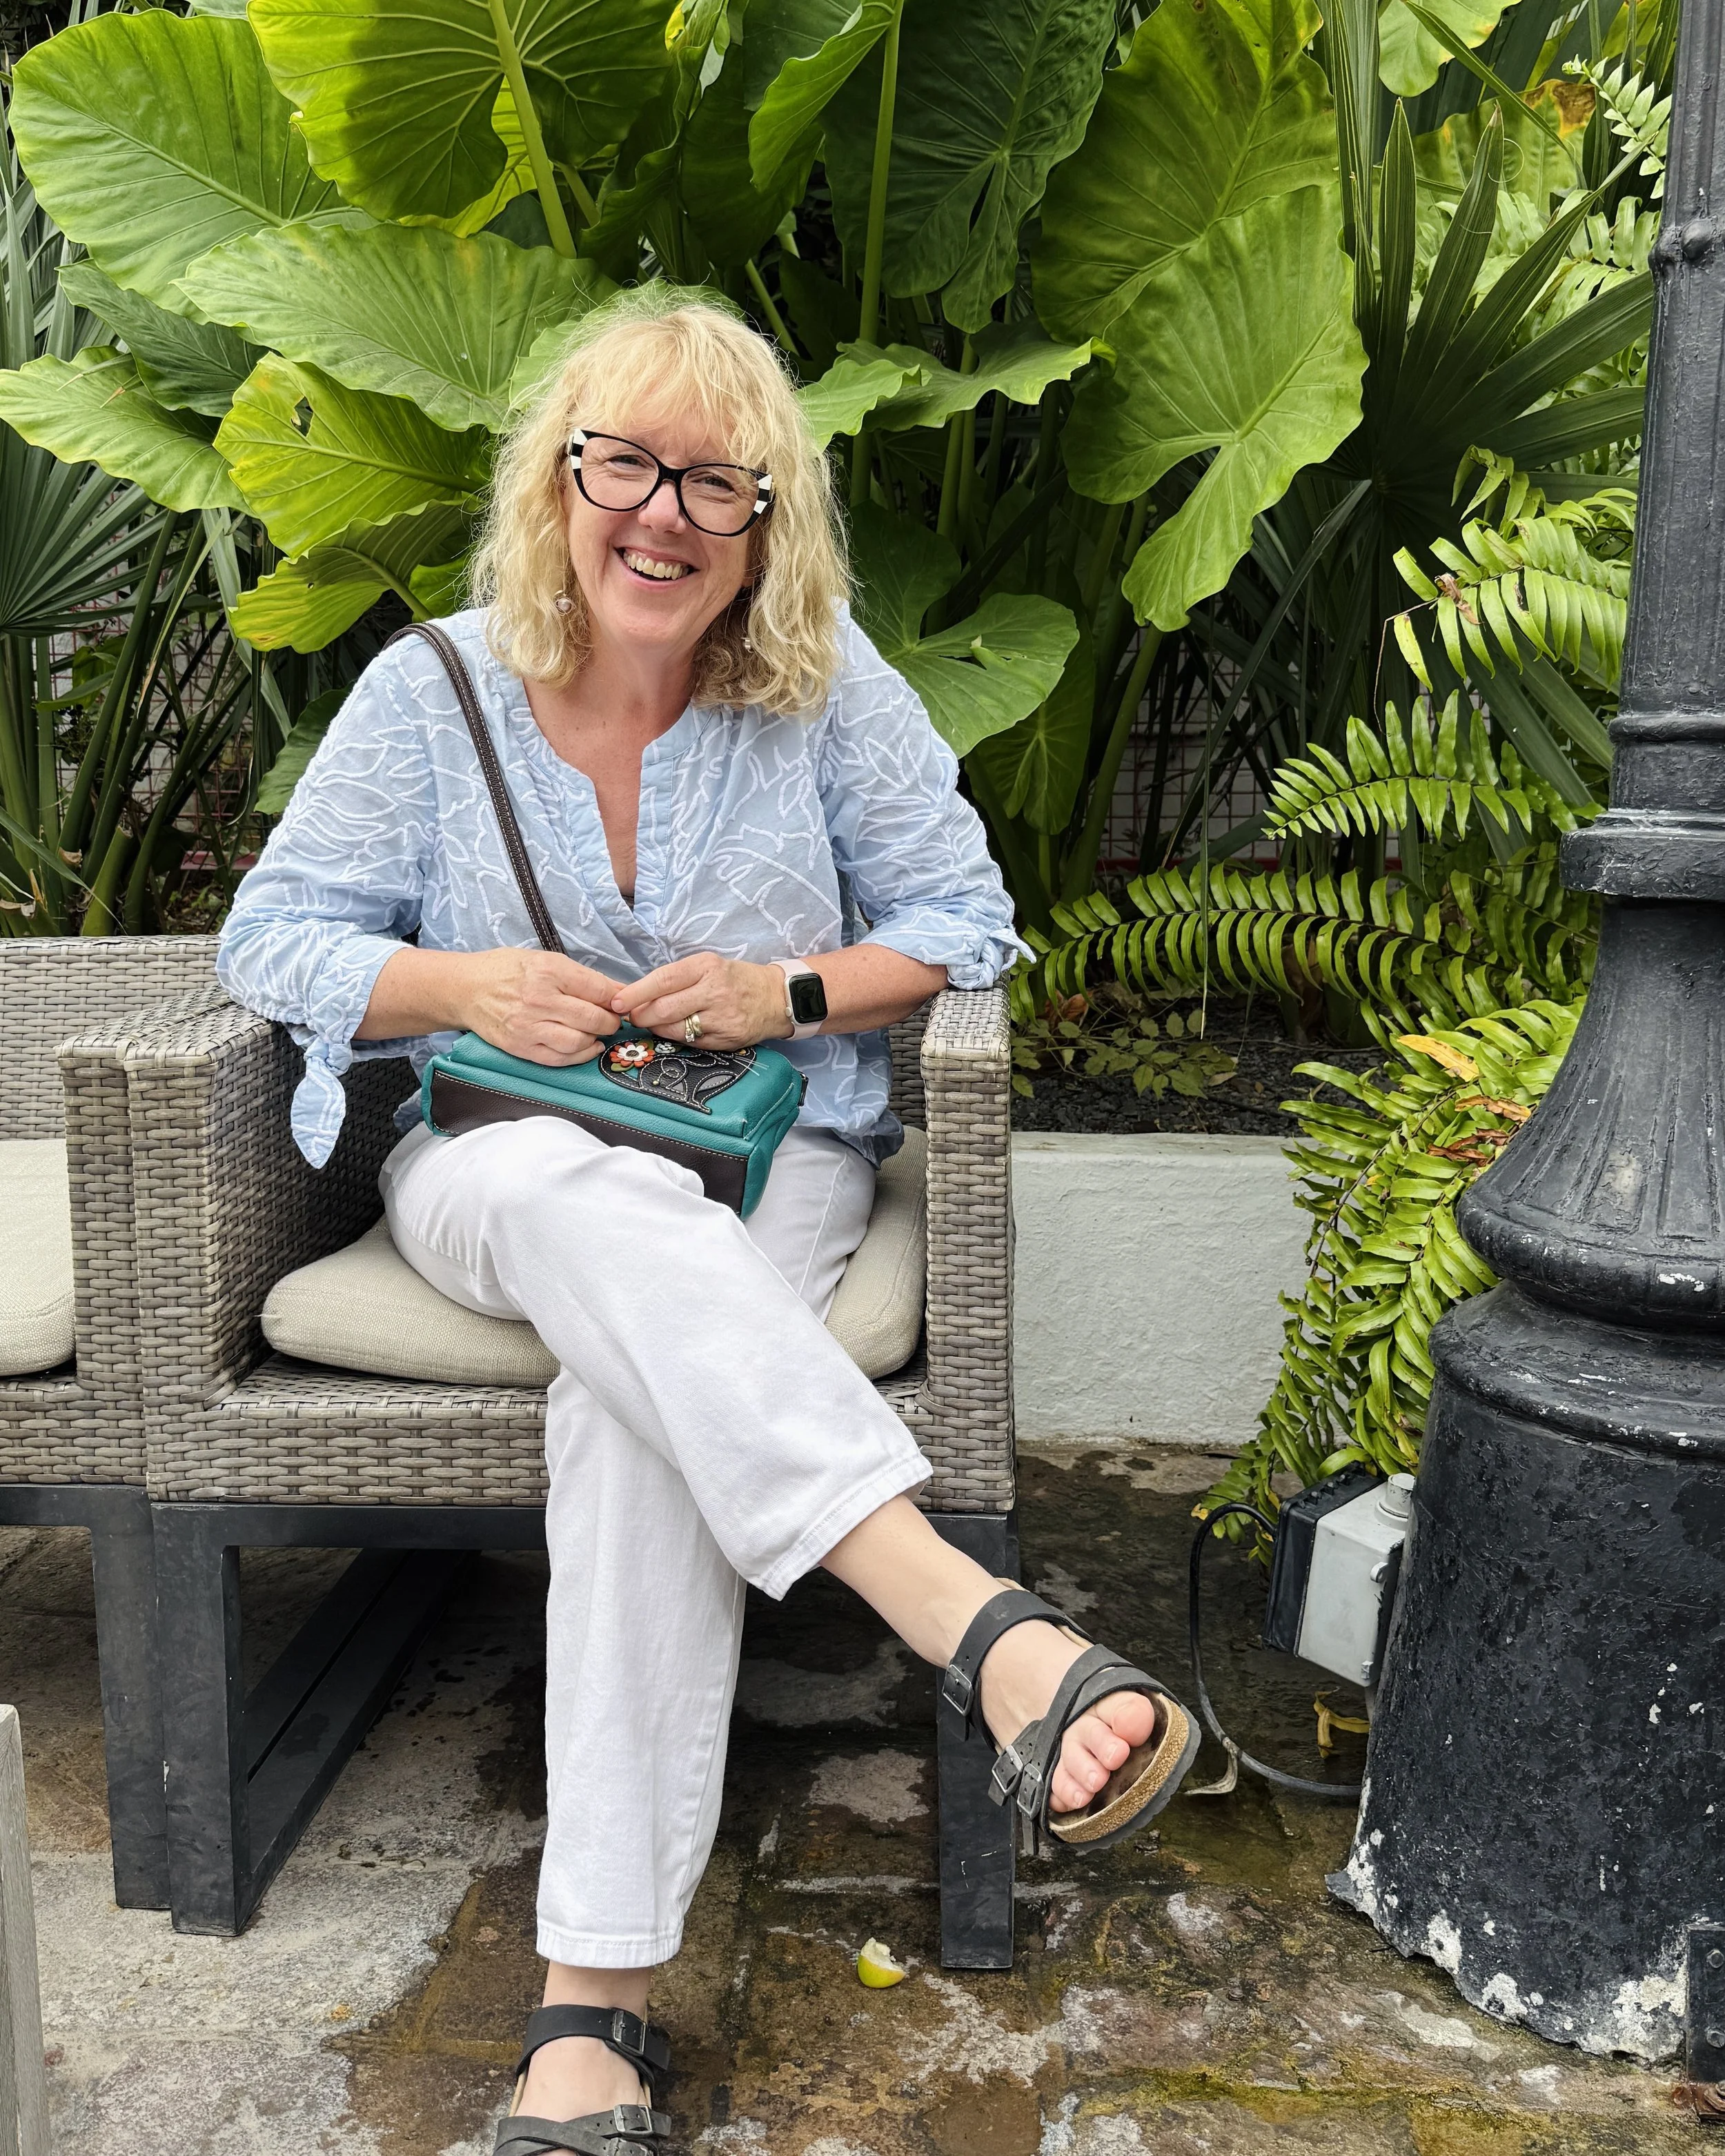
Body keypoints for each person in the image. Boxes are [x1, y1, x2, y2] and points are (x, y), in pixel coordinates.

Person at [217, 288, 1199, 2156]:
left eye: (713, 484)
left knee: (630, 1411)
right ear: (558, 481)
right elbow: (270, 938)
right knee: (574, 1208)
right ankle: (976, 1623)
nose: (660, 515)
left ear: (766, 521)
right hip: (495, 1159)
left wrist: (790, 998)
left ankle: (587, 2016)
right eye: (623, 466)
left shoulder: (828, 695)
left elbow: (961, 921)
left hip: (768, 1163)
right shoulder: (431, 690)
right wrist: (466, 984)